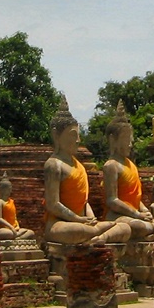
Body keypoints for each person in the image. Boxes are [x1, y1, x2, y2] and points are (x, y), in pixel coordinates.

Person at [43, 96, 131, 244]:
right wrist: (77, 219)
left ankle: (98, 238)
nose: (78, 140)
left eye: (78, 135)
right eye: (73, 135)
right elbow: (53, 205)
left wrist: (90, 218)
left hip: (82, 222)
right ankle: (97, 235)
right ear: (55, 135)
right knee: (76, 230)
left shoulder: (79, 166)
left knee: (125, 228)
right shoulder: (53, 165)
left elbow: (84, 202)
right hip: (60, 224)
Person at [102, 101, 154, 241]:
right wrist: (136, 214)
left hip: (136, 215)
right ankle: (149, 233)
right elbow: (112, 200)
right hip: (119, 216)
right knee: (138, 226)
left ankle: (150, 237)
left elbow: (136, 198)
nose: (130, 144)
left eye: (130, 139)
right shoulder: (111, 166)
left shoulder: (131, 165)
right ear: (113, 140)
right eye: (126, 139)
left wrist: (143, 210)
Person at [0, 172, 35, 240]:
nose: (9, 191)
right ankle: (18, 236)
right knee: (9, 233)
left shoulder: (11, 202)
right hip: (1, 228)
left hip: (13, 228)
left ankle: (17, 237)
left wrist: (16, 227)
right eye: (7, 189)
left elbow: (14, 217)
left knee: (31, 232)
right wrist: (11, 227)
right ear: (1, 190)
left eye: (10, 188)